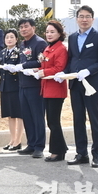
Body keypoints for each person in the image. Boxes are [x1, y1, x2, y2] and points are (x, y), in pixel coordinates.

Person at [61, 5, 98, 168]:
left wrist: (89, 71)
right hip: (76, 85)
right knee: (78, 119)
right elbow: (72, 59)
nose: (84, 19)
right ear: (77, 19)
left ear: (92, 19)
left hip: (93, 85)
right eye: (81, 16)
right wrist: (64, 73)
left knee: (94, 119)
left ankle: (97, 155)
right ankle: (81, 154)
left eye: (87, 16)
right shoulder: (73, 37)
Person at [5, 18, 47, 159]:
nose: (23, 29)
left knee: (37, 117)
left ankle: (39, 147)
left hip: (35, 86)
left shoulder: (40, 43)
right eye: (21, 27)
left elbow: (41, 62)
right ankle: (31, 144)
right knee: (27, 116)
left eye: (26, 26)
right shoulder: (22, 44)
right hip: (22, 85)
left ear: (33, 27)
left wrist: (23, 66)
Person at [29, 20, 68, 162]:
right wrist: (36, 70)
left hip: (56, 89)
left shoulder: (61, 49)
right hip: (46, 89)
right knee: (51, 121)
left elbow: (59, 68)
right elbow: (45, 65)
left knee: (53, 122)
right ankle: (61, 149)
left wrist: (43, 72)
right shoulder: (48, 48)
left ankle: (57, 152)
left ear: (59, 33)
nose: (49, 34)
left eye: (52, 32)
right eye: (47, 32)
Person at [0, 28, 24, 150]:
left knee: (18, 114)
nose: (9, 39)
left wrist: (12, 69)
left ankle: (18, 141)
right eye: (7, 37)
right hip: (4, 87)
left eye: (12, 37)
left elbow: (20, 69)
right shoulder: (2, 53)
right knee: (10, 115)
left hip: (16, 87)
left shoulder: (19, 52)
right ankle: (12, 139)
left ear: (16, 39)